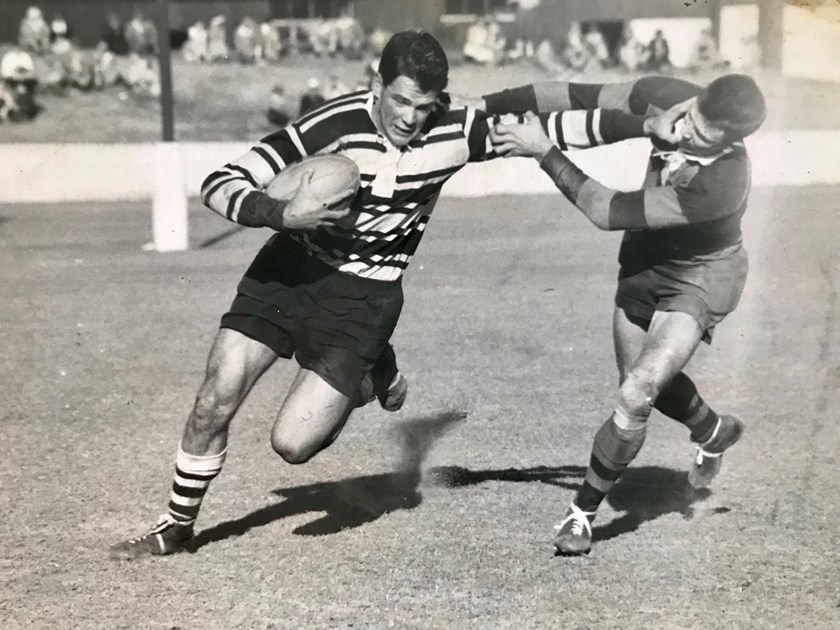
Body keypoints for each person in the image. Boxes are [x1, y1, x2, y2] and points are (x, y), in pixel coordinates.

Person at [108, 29, 563, 560]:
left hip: (365, 298)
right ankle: (176, 525)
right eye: (399, 100)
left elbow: (561, 116)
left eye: (423, 105)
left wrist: (640, 120)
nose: (410, 117)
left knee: (294, 445)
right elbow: (221, 180)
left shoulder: (456, 130)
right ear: (376, 84)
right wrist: (279, 213)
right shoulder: (333, 121)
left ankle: (373, 372)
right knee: (216, 393)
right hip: (290, 271)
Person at [473, 73, 767, 555]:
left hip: (700, 274)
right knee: (640, 379)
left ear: (730, 142)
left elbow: (607, 211)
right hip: (643, 260)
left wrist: (542, 150)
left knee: (637, 393)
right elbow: (580, 95)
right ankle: (712, 429)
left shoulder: (722, 183)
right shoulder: (672, 95)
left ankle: (581, 515)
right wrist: (483, 100)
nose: (688, 132)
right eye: (691, 118)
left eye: (703, 135)